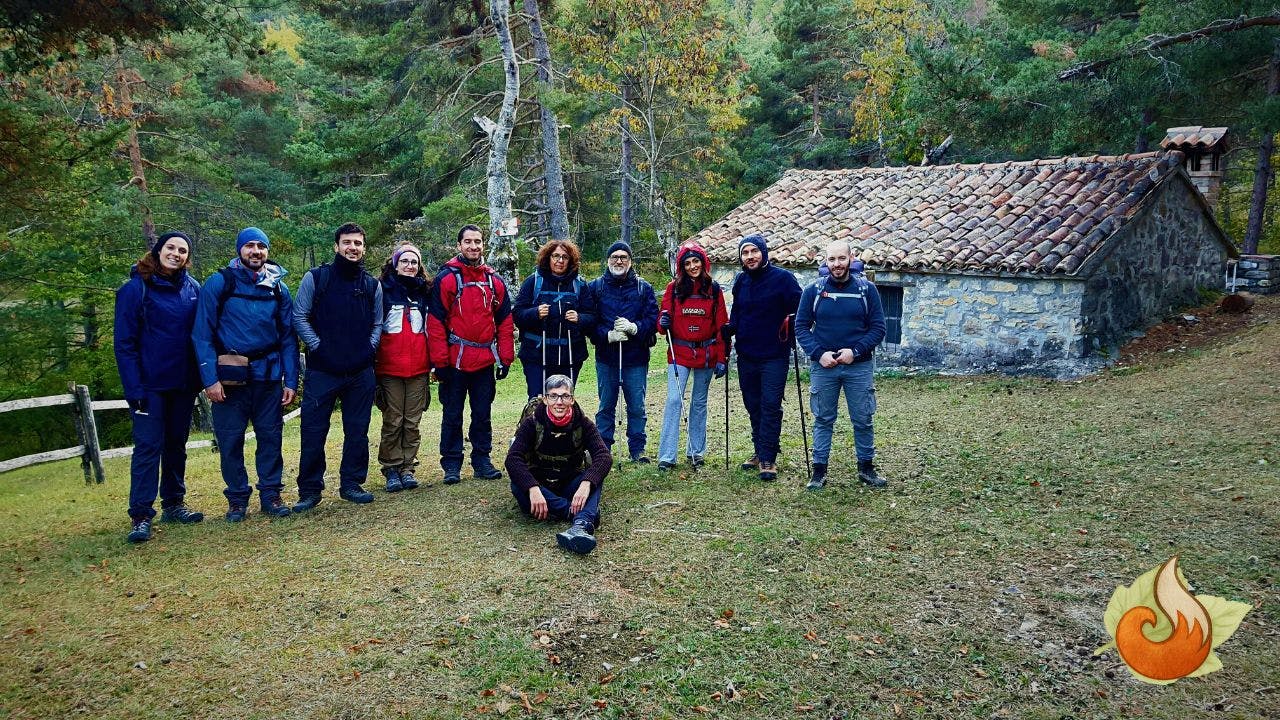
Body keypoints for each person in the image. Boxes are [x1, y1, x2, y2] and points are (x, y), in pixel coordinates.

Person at [192, 227, 299, 521]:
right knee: (230, 440)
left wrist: (291, 379)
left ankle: (271, 495)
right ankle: (237, 499)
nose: (256, 251)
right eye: (250, 246)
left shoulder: (278, 287)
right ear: (240, 249)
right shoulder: (219, 283)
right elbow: (202, 334)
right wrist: (209, 379)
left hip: (268, 375)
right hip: (229, 377)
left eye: (261, 246)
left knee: (270, 437)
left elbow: (288, 336)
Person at [114, 232, 205, 543]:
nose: (176, 254)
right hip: (149, 387)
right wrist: (133, 387)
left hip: (183, 384)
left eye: (182, 250)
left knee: (176, 445)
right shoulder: (135, 289)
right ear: (158, 249)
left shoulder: (193, 289)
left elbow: (202, 335)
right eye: (171, 247)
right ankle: (140, 514)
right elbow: (124, 344)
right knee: (149, 447)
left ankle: (174, 503)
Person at [292, 223, 384, 510]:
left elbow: (378, 323)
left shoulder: (371, 285)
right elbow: (299, 316)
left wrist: (369, 348)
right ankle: (309, 490)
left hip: (360, 372)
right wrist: (319, 347)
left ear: (364, 248)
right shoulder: (317, 278)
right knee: (313, 431)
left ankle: (352, 484)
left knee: (357, 430)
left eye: (358, 243)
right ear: (336, 246)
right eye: (347, 242)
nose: (352, 248)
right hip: (322, 370)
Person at [795, 240, 888, 490]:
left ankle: (867, 469)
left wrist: (855, 351)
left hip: (858, 367)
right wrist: (818, 353)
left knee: (863, 418)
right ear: (825, 261)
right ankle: (819, 471)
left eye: (841, 259)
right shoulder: (812, 291)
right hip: (824, 367)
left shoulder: (867, 290)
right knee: (823, 419)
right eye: (832, 260)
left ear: (851, 258)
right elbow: (801, 327)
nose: (837, 264)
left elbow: (879, 328)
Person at [427, 224, 515, 485]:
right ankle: (452, 464)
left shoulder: (494, 281)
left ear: (483, 245)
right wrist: (440, 362)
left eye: (478, 242)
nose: (473, 247)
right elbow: (435, 323)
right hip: (455, 361)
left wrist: (505, 357)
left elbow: (505, 321)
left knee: (482, 413)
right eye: (468, 242)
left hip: (484, 361)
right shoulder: (447, 279)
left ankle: (482, 460)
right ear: (459, 245)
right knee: (452, 413)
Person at [723, 234, 802, 481]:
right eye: (745, 253)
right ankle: (759, 450)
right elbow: (738, 312)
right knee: (752, 404)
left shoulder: (784, 280)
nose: (750, 257)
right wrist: (730, 328)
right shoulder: (741, 281)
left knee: (770, 405)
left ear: (764, 253)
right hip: (746, 354)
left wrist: (791, 328)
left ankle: (768, 458)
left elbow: (800, 310)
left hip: (774, 355)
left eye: (754, 252)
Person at [505, 375, 612, 555]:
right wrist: (532, 488)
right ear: (545, 399)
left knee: (595, 477)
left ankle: (578, 527)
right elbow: (513, 458)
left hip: (569, 483)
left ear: (572, 399)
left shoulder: (583, 424)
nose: (559, 402)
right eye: (554, 396)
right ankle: (582, 516)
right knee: (518, 485)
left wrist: (586, 484)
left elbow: (604, 456)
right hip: (540, 488)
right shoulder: (532, 423)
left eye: (565, 396)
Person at [582, 241, 658, 463]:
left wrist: (635, 328)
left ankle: (637, 449)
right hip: (607, 358)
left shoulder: (643, 288)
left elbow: (652, 320)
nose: (619, 261)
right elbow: (589, 322)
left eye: (624, 257)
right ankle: (602, 449)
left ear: (630, 261)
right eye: (614, 256)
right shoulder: (595, 287)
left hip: (636, 358)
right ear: (608, 260)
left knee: (636, 405)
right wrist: (607, 335)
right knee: (606, 405)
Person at [656, 241, 729, 470]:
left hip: (706, 352)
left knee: (699, 402)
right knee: (674, 400)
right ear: (681, 266)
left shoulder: (714, 290)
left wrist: (721, 358)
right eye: (687, 263)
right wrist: (663, 321)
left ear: (703, 262)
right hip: (679, 352)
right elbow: (662, 322)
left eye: (695, 261)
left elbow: (722, 326)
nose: (692, 266)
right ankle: (667, 456)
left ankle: (696, 451)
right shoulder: (673, 288)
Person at [373, 243, 432, 493]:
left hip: (419, 367)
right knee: (393, 420)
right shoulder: (381, 290)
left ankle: (408, 467)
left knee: (412, 421)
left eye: (414, 262)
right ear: (395, 263)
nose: (410, 266)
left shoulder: (426, 292)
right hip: (389, 368)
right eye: (405, 261)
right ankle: (391, 467)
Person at [513, 240, 595, 398]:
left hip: (570, 355)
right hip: (537, 355)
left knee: (563, 400)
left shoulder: (579, 284)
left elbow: (592, 317)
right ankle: (535, 423)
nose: (560, 260)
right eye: (556, 256)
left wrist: (579, 318)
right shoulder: (533, 282)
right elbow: (517, 314)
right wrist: (535, 313)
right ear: (547, 258)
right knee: (538, 400)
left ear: (570, 260)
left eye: (565, 257)